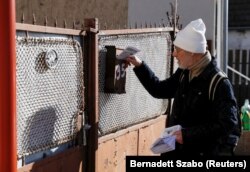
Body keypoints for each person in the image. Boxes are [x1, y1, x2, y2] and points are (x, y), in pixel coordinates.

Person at [125, 18, 241, 156]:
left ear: (192, 52)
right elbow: (159, 89)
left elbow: (227, 124)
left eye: (178, 50)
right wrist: (140, 66)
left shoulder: (219, 83)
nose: (174, 54)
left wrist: (186, 135)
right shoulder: (185, 72)